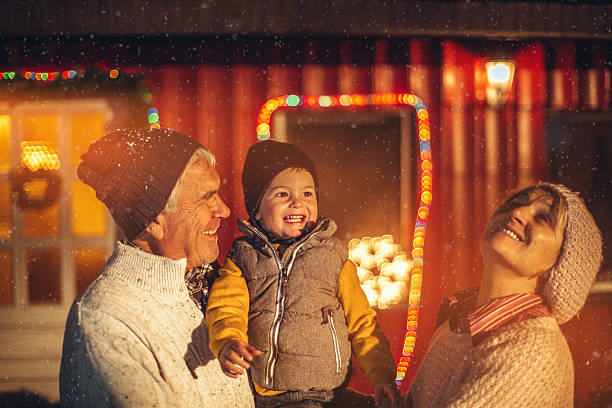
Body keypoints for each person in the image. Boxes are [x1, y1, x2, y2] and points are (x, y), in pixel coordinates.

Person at [59, 128, 255, 407]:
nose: (223, 210)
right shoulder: (104, 320)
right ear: (155, 221)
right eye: (205, 198)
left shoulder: (211, 288)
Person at [206, 140, 401, 408]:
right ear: (257, 211)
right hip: (272, 396)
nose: (298, 202)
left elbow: (362, 322)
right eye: (283, 194)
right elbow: (226, 307)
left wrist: (381, 376)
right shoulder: (244, 257)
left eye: (308, 194)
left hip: (330, 392)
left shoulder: (333, 257)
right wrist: (227, 341)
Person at [406, 183, 603, 407]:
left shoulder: (534, 349)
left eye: (543, 219)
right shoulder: (457, 324)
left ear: (559, 266)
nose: (517, 212)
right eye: (516, 203)